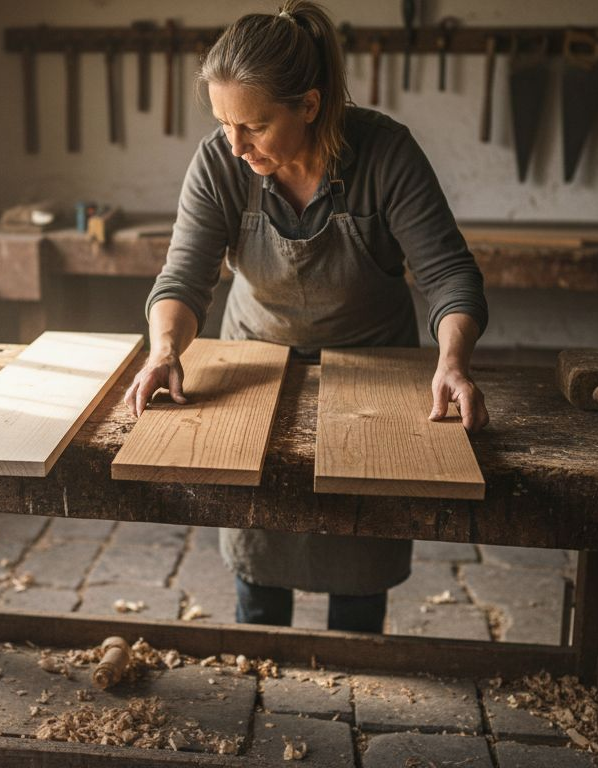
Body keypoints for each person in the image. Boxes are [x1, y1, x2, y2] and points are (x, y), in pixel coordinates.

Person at [122, 0, 489, 634]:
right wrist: (164, 351)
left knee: (357, 571)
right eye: (224, 124)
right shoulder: (220, 163)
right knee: (260, 573)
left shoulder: (385, 154)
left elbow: (449, 276)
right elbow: (183, 279)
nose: (235, 145)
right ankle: (261, 686)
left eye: (255, 126)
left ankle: (352, 693)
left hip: (376, 375)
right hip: (256, 363)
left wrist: (452, 363)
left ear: (311, 105)